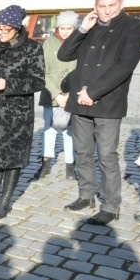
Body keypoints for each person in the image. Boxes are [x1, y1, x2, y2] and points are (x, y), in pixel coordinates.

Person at [58, 0, 140, 225]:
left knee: (107, 155)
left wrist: (93, 92)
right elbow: (64, 55)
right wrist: (82, 29)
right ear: (95, 7)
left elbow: (125, 66)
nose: (107, 11)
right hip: (80, 101)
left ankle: (110, 205)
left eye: (112, 6)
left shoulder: (135, 27)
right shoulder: (90, 27)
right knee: (82, 152)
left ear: (121, 4)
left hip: (107, 101)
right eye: (102, 6)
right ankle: (86, 195)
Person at [0, 4, 45, 219]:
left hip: (17, 114)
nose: (1, 32)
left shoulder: (32, 48)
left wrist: (10, 84)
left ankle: (5, 202)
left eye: (5, 28)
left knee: (12, 158)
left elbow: (38, 81)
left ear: (17, 28)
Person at [35, 11, 78, 181]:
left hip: (71, 93)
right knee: (50, 129)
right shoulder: (49, 43)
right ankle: (46, 164)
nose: (65, 32)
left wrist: (70, 95)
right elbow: (43, 71)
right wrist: (57, 94)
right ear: (57, 27)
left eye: (69, 28)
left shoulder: (79, 42)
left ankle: (70, 165)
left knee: (69, 130)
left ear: (74, 28)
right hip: (51, 92)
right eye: (62, 28)